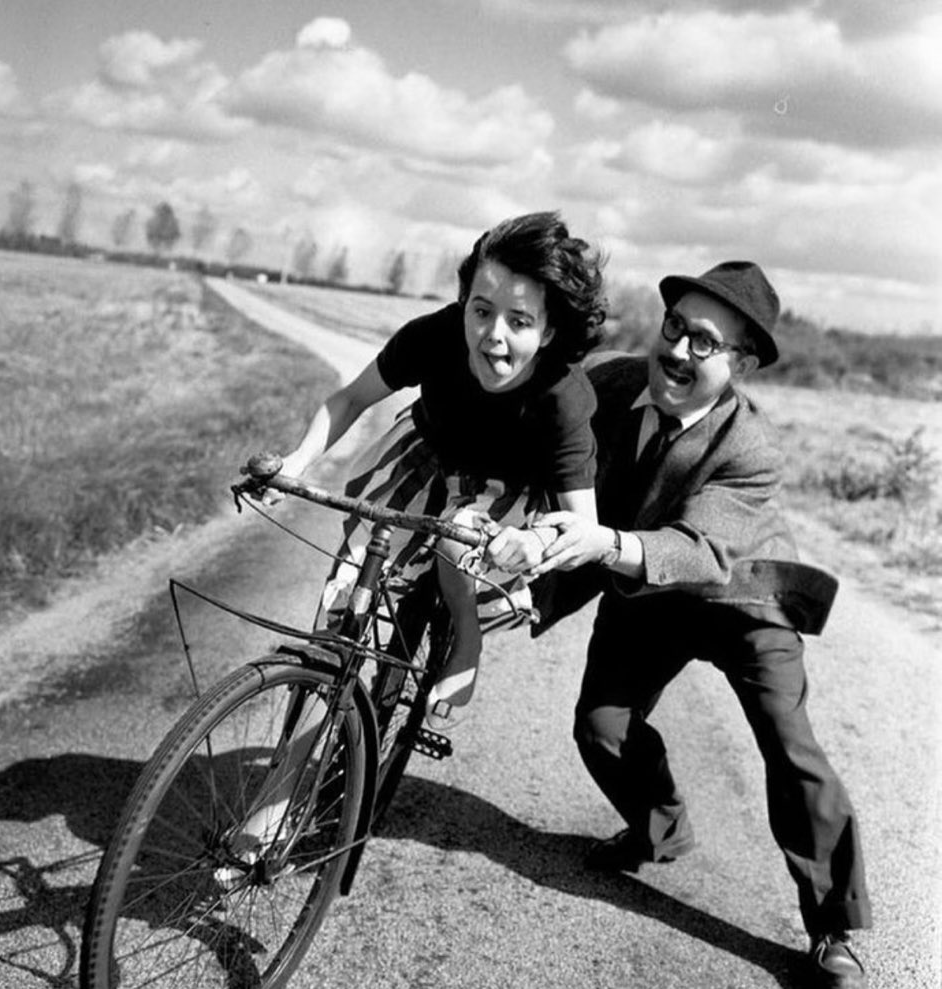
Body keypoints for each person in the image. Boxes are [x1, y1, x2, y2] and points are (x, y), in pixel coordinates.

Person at [489, 261, 871, 988]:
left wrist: (603, 545)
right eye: (674, 328)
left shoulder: (752, 450)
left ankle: (833, 927)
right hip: (645, 593)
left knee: (791, 750)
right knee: (602, 726)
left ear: (743, 364)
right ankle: (658, 829)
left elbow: (696, 549)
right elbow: (554, 453)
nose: (678, 352)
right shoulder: (610, 383)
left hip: (741, 598)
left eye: (705, 342)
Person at [271, 211, 607, 719]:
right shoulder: (434, 336)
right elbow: (349, 400)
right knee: (344, 596)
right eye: (480, 310)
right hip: (426, 457)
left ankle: (465, 639)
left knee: (458, 533)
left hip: (507, 493)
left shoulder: (564, 397)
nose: (492, 335)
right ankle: (288, 769)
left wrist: (536, 542)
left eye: (519, 322)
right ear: (463, 303)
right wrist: (295, 463)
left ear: (549, 330)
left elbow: (584, 526)